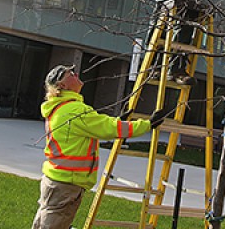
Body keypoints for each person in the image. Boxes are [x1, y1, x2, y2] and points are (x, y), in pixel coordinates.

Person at [31, 64, 168, 229]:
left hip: (58, 180)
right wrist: (147, 125)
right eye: (70, 73)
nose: (76, 73)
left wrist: (117, 121)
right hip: (66, 182)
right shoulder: (74, 110)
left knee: (46, 222)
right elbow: (109, 128)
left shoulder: (61, 108)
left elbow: (94, 128)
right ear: (62, 85)